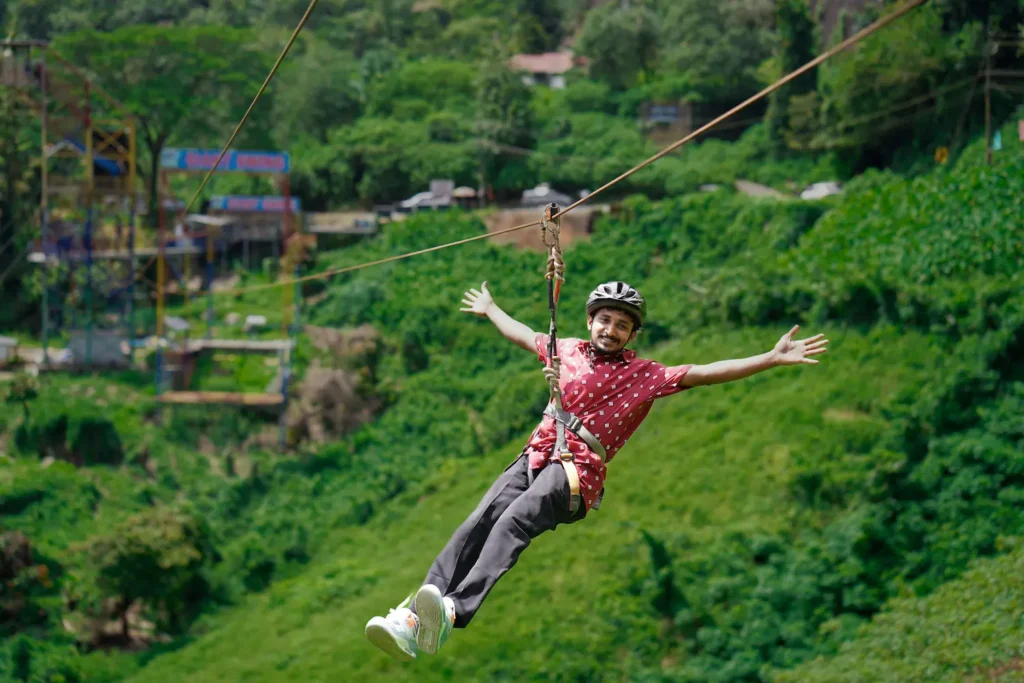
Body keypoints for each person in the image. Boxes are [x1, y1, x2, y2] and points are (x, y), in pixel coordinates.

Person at [365, 280, 829, 661]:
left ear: (632, 335)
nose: (611, 329)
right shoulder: (564, 350)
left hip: (574, 472)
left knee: (514, 520)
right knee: (477, 521)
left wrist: (768, 359)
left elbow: (706, 371)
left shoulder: (646, 375)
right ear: (590, 321)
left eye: (622, 325)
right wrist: (490, 308)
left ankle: (453, 610)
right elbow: (524, 334)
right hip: (537, 453)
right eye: (605, 319)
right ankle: (412, 617)